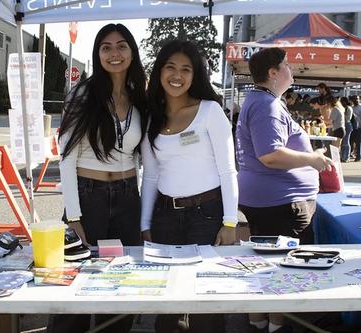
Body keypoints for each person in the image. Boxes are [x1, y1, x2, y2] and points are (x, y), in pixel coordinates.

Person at [50, 23, 146, 333]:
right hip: (87, 196)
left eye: (121, 46)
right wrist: (74, 216)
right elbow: (66, 158)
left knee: (119, 284)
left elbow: (140, 158)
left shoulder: (140, 98)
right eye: (106, 47)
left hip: (128, 197)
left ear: (132, 52)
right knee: (75, 283)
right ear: (98, 53)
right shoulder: (82, 94)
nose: (114, 53)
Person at [141, 40, 238, 333]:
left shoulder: (210, 111)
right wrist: (145, 223)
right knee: (167, 303)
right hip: (165, 217)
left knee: (205, 304)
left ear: (195, 75)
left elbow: (228, 169)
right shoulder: (151, 116)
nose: (177, 75)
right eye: (170, 67)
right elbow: (151, 176)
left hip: (207, 216)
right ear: (159, 71)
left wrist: (230, 221)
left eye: (186, 69)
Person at [235, 47, 333, 333]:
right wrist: (313, 159)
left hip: (272, 199)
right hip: (281, 202)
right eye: (286, 65)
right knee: (284, 267)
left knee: (270, 262)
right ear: (273, 72)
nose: (292, 70)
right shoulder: (267, 105)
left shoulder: (262, 101)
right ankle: (275, 325)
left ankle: (261, 320)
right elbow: (271, 155)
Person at [349, 95, 361, 162]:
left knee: (358, 143)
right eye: (355, 99)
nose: (357, 100)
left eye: (358, 99)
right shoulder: (352, 107)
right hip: (352, 128)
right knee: (351, 141)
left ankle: (358, 156)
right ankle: (349, 154)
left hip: (359, 128)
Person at [339, 96, 354, 162]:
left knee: (346, 141)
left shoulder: (349, 108)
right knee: (342, 142)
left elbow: (348, 118)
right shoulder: (342, 108)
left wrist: (342, 114)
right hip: (342, 125)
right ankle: (342, 156)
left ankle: (346, 157)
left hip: (347, 125)